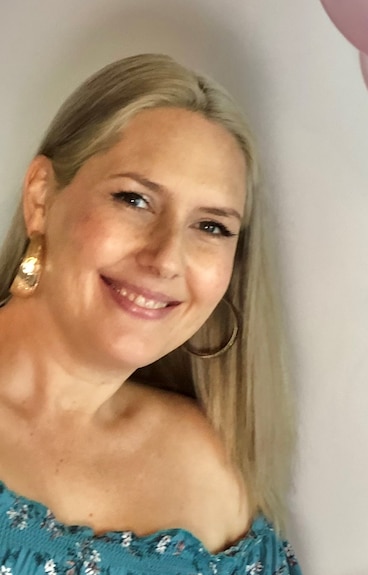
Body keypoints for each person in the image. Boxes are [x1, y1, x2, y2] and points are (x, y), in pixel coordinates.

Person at [0, 54, 300, 574]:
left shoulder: (212, 473)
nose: (164, 259)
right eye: (134, 199)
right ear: (41, 198)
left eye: (211, 227)